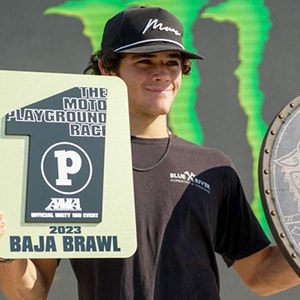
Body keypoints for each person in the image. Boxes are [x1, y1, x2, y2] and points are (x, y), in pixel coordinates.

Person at [0, 6, 300, 300]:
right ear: (107, 67)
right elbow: (30, 292)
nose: (162, 74)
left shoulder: (213, 168)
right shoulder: (71, 160)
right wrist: (4, 251)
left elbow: (261, 276)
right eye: (144, 61)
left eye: (172, 62)